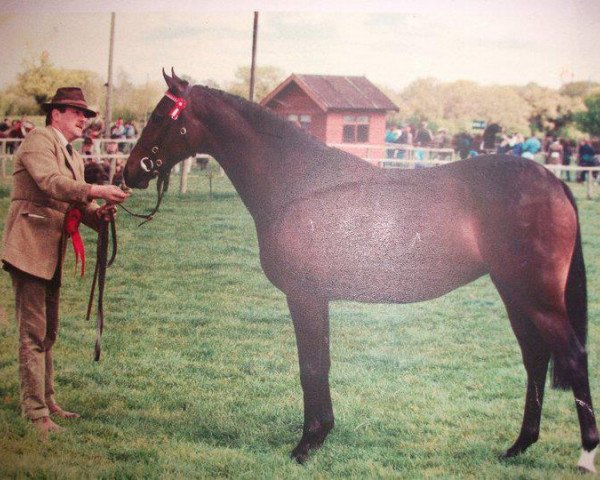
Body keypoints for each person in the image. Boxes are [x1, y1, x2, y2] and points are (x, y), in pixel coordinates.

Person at [1, 87, 130, 436]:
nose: (82, 119)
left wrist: (98, 214)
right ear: (55, 113)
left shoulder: (71, 153)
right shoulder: (40, 140)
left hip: (49, 249)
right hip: (29, 246)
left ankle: (48, 400)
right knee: (33, 333)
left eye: (85, 114)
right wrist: (96, 191)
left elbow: (72, 203)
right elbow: (51, 183)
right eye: (76, 112)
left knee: (50, 332)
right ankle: (36, 413)